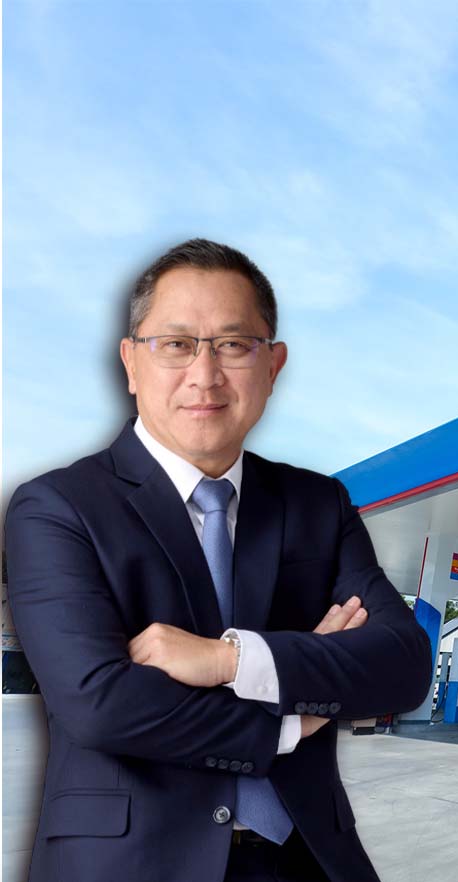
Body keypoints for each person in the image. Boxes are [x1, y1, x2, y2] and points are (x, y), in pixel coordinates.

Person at [4, 239, 432, 882]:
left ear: (273, 365)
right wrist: (290, 720)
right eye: (176, 344)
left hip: (306, 861)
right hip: (128, 865)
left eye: (233, 345)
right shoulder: (57, 508)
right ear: (131, 362)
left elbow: (403, 665)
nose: (204, 376)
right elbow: (101, 702)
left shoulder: (318, 505)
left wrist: (231, 659)